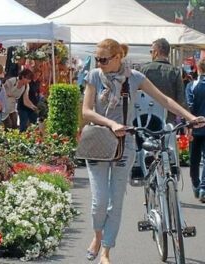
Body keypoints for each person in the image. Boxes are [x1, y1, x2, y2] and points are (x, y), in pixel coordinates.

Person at [82, 38, 204, 264]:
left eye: (103, 59)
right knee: (100, 201)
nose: (99, 63)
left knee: (115, 201)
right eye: (97, 58)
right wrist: (111, 124)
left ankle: (106, 251)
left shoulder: (134, 77)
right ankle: (97, 236)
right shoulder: (94, 77)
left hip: (125, 144)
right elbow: (87, 112)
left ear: (118, 57)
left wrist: (190, 117)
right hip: (98, 143)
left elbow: (165, 99)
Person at [140, 38, 185, 124]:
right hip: (169, 118)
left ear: (156, 52)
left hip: (146, 116)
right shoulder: (174, 71)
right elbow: (181, 98)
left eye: (151, 51)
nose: (151, 54)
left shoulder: (144, 69)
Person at [185, 57, 205, 202]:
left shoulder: (192, 85)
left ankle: (196, 184)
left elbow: (189, 107)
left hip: (195, 126)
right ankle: (203, 187)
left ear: (198, 69)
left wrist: (189, 127)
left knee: (194, 159)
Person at [18, 68, 41, 132]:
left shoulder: (37, 82)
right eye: (36, 74)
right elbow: (25, 99)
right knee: (23, 124)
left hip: (32, 105)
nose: (37, 76)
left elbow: (37, 93)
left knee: (33, 124)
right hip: (23, 106)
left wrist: (35, 106)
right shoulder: (27, 83)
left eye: (39, 75)